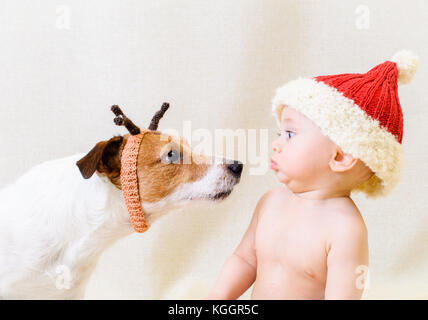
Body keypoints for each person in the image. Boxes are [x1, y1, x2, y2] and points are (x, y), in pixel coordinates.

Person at [206, 50, 419, 299]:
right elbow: (244, 260)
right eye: (280, 134)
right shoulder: (270, 202)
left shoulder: (345, 228)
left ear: (340, 157)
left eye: (290, 134)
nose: (276, 144)